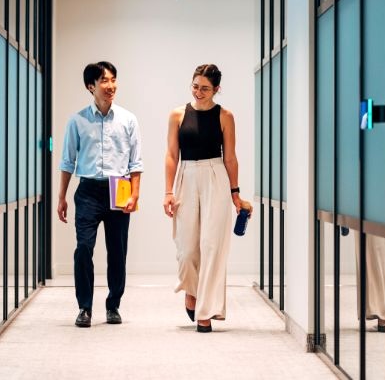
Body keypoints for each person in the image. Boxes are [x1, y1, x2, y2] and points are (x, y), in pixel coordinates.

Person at [163, 64, 250, 333]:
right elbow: (171, 155)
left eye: (205, 88)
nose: (199, 92)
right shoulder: (178, 114)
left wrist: (235, 193)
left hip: (216, 177)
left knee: (213, 245)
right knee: (187, 248)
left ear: (217, 89)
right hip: (186, 176)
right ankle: (191, 290)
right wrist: (168, 192)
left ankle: (206, 311)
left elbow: (231, 157)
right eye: (195, 86)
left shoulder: (225, 116)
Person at [58, 61, 143, 328]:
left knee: (118, 251)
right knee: (83, 248)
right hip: (88, 191)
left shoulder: (128, 119)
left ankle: (113, 305)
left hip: (120, 187)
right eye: (104, 81)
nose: (111, 86)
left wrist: (135, 195)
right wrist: (61, 197)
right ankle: (85, 307)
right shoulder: (78, 120)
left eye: (113, 79)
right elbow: (67, 162)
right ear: (90, 86)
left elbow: (136, 163)